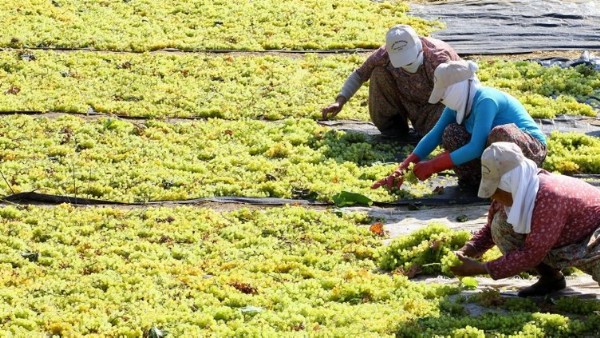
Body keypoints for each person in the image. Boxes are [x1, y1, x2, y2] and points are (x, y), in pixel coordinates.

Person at [451, 142, 600, 297]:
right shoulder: (518, 190)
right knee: (500, 224)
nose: (492, 195)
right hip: (564, 239)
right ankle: (552, 279)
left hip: (593, 239)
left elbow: (532, 253)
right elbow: (489, 231)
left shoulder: (549, 197)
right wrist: (468, 250)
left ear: (510, 182)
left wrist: (482, 268)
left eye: (495, 188)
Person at [371, 60, 547, 190]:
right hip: (494, 153)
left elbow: (476, 147)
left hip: (529, 150)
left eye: (444, 93)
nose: (442, 99)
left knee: (499, 134)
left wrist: (433, 165)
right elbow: (433, 136)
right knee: (451, 132)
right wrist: (401, 169)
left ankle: (511, 184)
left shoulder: (486, 100)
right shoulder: (455, 107)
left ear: (457, 88)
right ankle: (477, 180)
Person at [321, 24, 461, 139]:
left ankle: (431, 132)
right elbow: (360, 74)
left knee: (439, 134)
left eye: (411, 59)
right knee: (378, 73)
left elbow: (462, 93)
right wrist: (340, 100)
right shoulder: (384, 54)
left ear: (419, 47)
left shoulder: (438, 57)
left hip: (436, 108)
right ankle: (393, 129)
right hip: (407, 102)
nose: (408, 65)